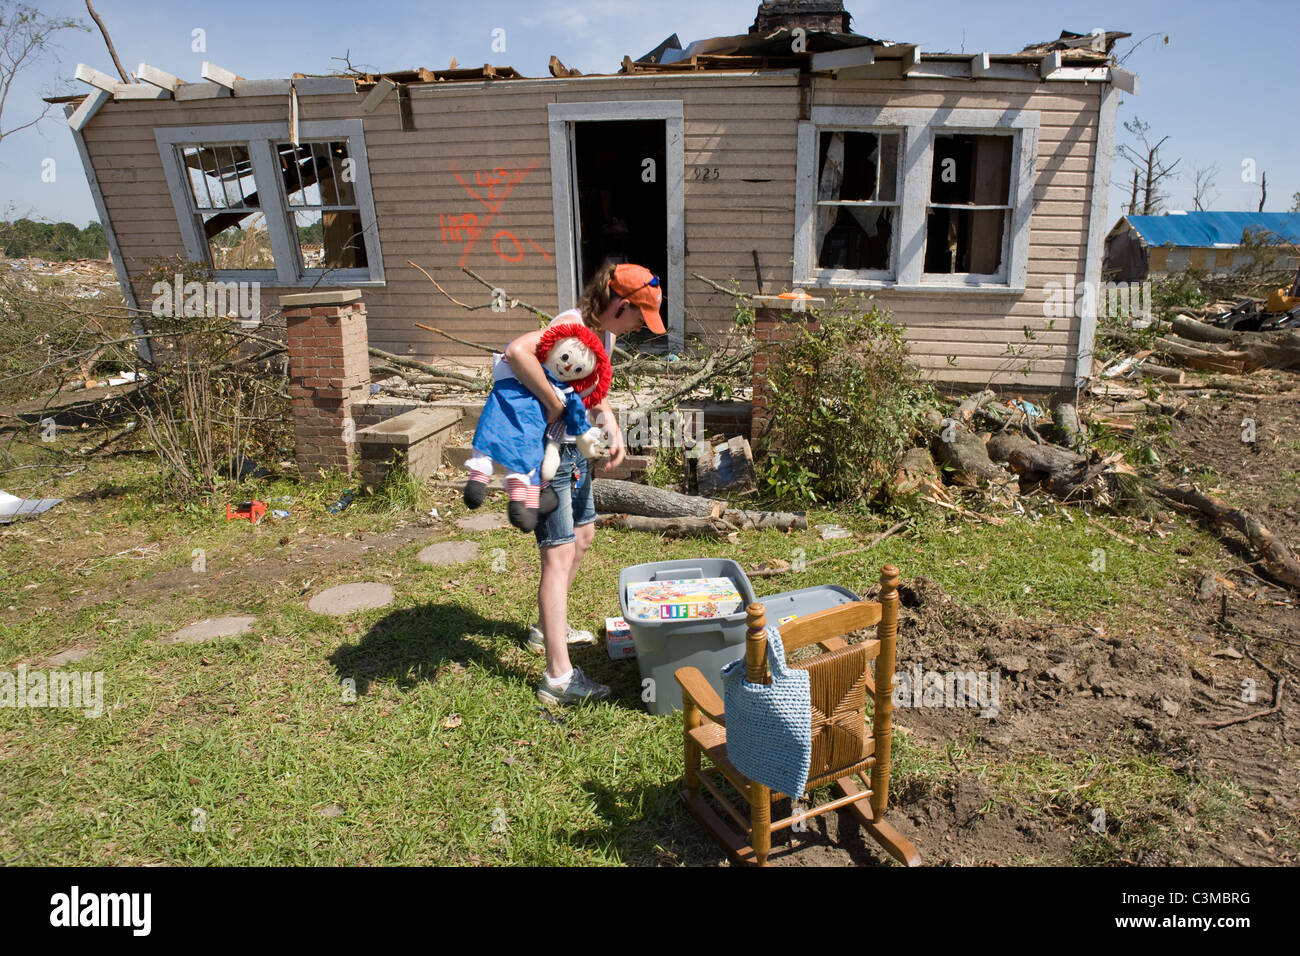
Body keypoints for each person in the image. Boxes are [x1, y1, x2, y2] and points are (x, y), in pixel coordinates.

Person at [501, 262, 665, 705]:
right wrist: (555, 404)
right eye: (639, 317)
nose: (638, 328)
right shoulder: (569, 327)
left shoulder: (603, 334)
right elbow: (517, 351)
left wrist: (608, 419)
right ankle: (558, 679)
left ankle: (543, 628)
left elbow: (594, 391)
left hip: (572, 450)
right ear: (620, 304)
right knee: (556, 556)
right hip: (542, 454)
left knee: (584, 535)